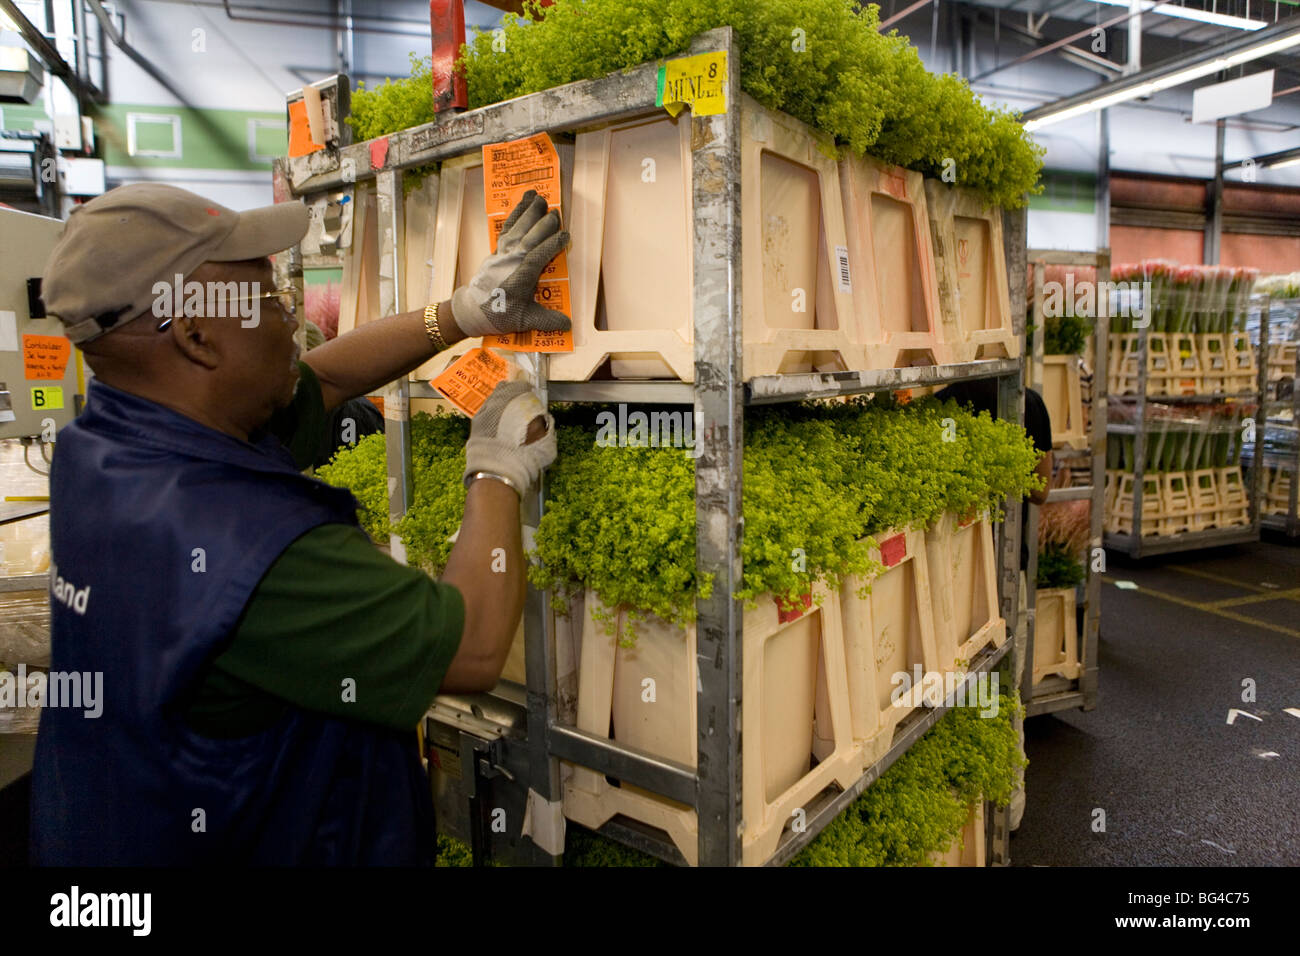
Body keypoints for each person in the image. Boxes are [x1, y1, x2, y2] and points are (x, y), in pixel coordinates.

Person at [32, 183, 569, 865]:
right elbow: (473, 646)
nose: (294, 321)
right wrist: (496, 471)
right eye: (270, 302)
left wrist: (460, 314)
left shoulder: (105, 445)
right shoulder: (243, 544)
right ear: (197, 337)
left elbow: (325, 379)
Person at [935, 376, 1052, 834]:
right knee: (1002, 687)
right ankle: (1008, 808)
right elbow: (1040, 490)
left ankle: (962, 803)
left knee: (953, 686)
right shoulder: (1029, 402)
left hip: (948, 570)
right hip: (1002, 573)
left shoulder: (945, 398)